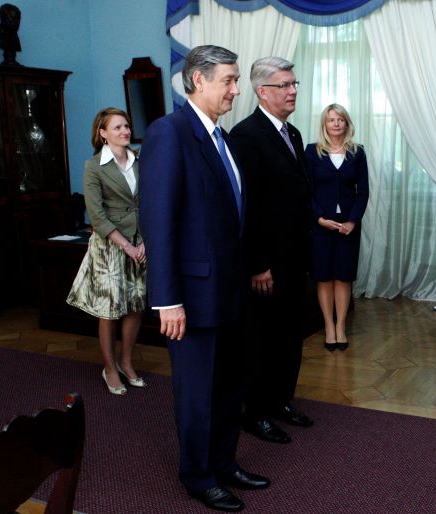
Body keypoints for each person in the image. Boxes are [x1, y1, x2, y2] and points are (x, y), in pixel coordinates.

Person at [139, 45, 269, 513]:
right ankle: (198, 476)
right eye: (229, 80)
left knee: (229, 386)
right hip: (190, 298)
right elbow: (158, 221)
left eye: (236, 80)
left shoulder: (222, 137)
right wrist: (167, 300)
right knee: (198, 394)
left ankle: (224, 463)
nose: (236, 90)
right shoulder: (169, 133)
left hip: (229, 292)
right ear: (198, 80)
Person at [230, 56, 313, 445]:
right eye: (285, 85)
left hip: (295, 257)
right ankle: (256, 413)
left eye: (294, 84)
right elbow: (248, 207)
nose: (293, 91)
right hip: (266, 264)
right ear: (262, 91)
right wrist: (258, 264)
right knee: (262, 338)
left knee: (290, 334)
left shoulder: (292, 133)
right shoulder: (246, 136)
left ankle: (281, 400)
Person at [67, 107, 147, 396]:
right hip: (110, 245)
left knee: (136, 305)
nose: (125, 131)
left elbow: (150, 201)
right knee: (110, 310)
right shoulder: (94, 166)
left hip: (140, 241)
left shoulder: (140, 160)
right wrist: (126, 246)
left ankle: (126, 362)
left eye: (126, 126)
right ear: (102, 133)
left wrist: (144, 242)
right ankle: (110, 368)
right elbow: (97, 215)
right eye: (117, 127)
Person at [305, 104, 369, 352]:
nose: (336, 124)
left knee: (343, 277)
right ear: (324, 124)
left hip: (348, 227)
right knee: (324, 277)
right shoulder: (312, 151)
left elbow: (363, 192)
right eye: (331, 120)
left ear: (346, 123)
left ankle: (341, 326)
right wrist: (319, 218)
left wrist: (352, 221)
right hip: (321, 225)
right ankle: (328, 327)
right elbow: (307, 190)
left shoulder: (357, 152)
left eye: (340, 119)